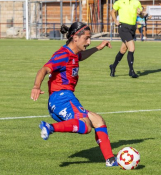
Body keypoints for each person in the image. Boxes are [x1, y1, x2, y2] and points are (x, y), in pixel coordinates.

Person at [31, 22, 119, 167]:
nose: (89, 41)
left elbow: (81, 56)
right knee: (86, 126)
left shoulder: (73, 54)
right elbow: (44, 69)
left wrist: (98, 48)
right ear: (75, 38)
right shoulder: (63, 54)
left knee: (98, 120)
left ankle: (110, 159)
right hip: (62, 98)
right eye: (87, 38)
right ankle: (50, 127)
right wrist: (36, 86)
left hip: (63, 98)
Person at [109, 0, 142, 78]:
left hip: (132, 28)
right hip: (123, 27)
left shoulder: (136, 2)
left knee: (123, 50)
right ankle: (131, 71)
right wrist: (115, 20)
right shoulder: (120, 2)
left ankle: (113, 66)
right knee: (132, 48)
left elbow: (142, 15)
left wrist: (142, 13)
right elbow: (112, 11)